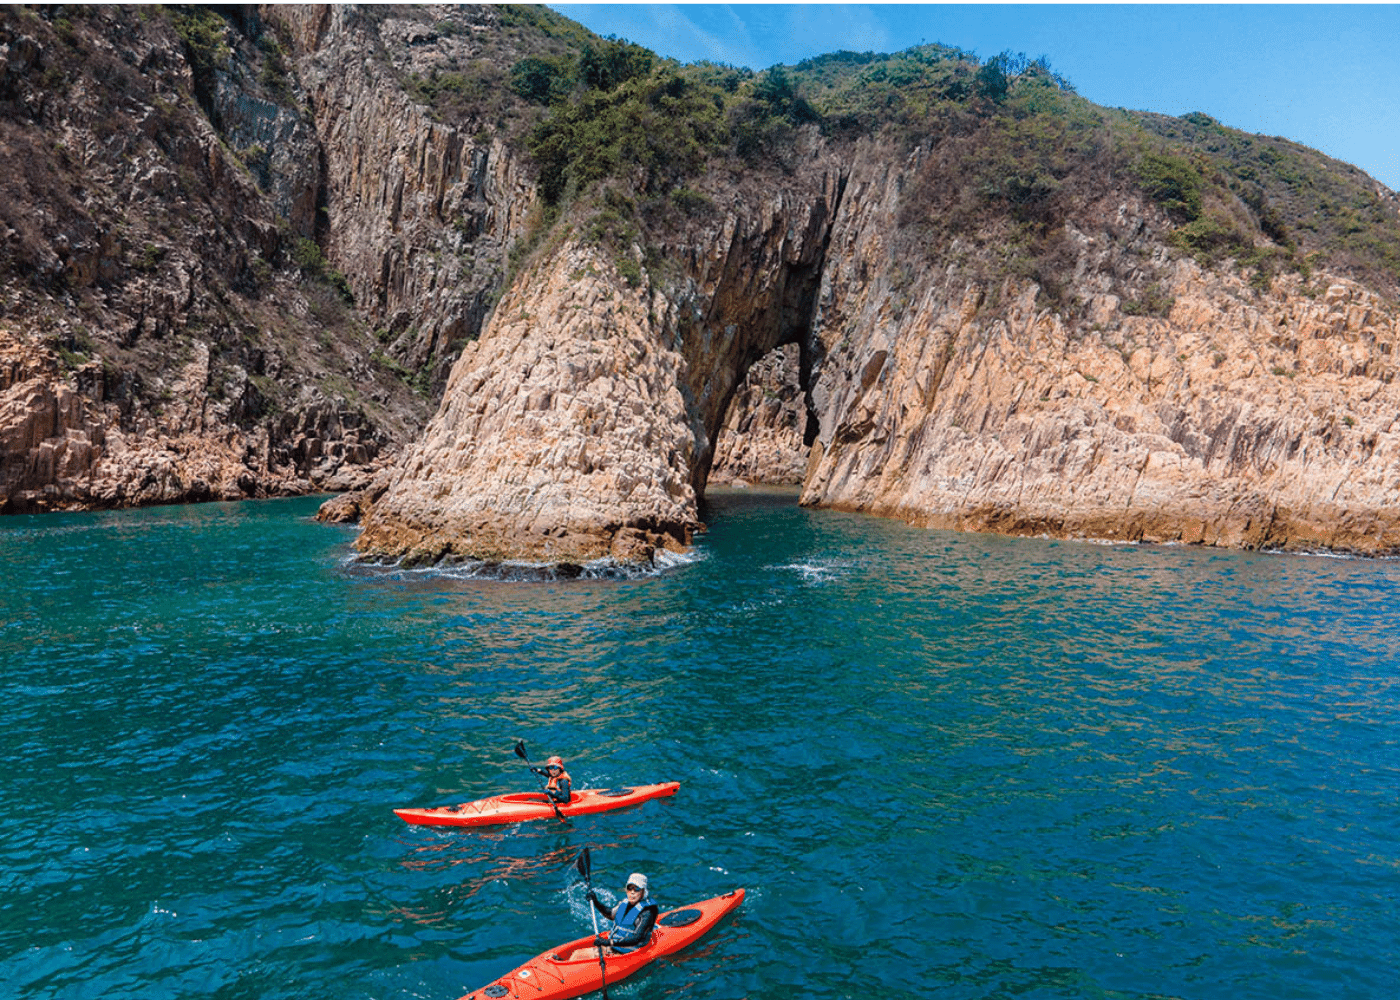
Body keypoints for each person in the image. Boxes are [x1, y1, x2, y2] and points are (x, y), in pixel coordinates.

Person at [576, 873, 659, 958]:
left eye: (636, 889)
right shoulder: (625, 903)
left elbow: (636, 939)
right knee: (577, 954)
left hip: (630, 953)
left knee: (580, 956)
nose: (632, 892)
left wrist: (609, 942)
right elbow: (610, 914)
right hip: (614, 947)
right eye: (629, 888)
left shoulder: (648, 912)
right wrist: (595, 902)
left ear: (643, 891)